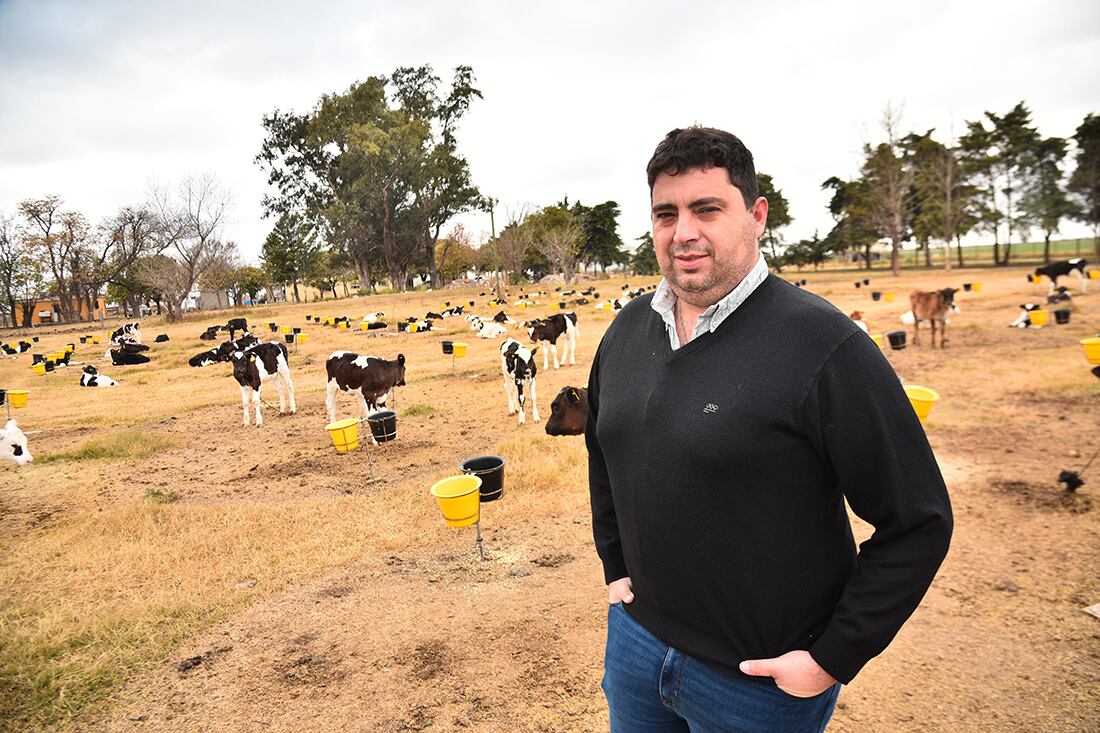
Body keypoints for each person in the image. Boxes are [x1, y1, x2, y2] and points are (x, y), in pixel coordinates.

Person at [586, 126, 953, 733]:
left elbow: (917, 519)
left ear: (756, 216)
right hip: (636, 647)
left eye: (708, 209)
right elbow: (606, 449)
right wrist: (613, 561)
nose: (684, 232)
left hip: (756, 688)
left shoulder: (824, 345)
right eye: (666, 213)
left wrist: (831, 657)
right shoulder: (625, 332)